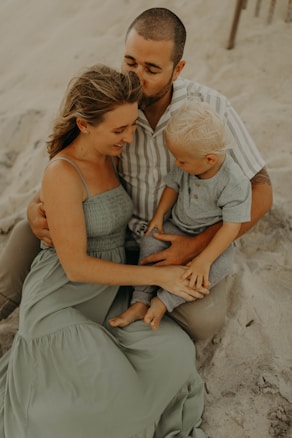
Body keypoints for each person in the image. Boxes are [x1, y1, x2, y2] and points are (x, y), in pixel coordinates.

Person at [0, 8, 272, 340]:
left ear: (178, 69)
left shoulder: (210, 109)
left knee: (200, 323)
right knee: (26, 231)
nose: (136, 77)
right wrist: (34, 205)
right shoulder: (114, 105)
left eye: (152, 69)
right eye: (130, 62)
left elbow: (261, 189)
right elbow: (70, 163)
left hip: (177, 238)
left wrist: (196, 245)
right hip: (109, 228)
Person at [0, 64, 207, 438]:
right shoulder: (62, 171)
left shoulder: (112, 153)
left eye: (132, 125)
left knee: (173, 356)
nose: (130, 137)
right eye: (120, 129)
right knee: (116, 409)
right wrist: (161, 275)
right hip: (61, 302)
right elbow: (76, 267)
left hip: (107, 297)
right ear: (84, 125)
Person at [109, 101, 252, 330]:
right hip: (177, 225)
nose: (176, 163)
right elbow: (172, 186)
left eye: (182, 161)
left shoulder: (234, 183)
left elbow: (231, 227)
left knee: (219, 267)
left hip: (212, 240)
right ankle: (140, 299)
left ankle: (164, 301)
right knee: (151, 241)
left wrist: (203, 260)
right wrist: (158, 217)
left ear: (210, 160)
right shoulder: (187, 162)